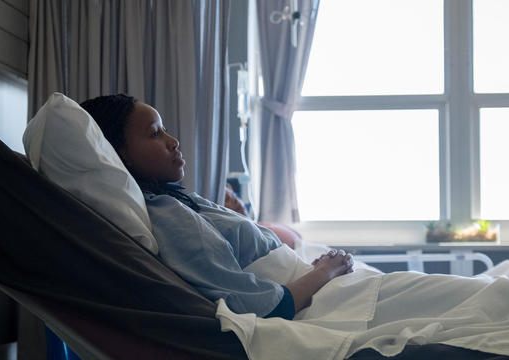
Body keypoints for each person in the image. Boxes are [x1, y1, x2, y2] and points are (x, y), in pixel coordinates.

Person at [80, 94, 353, 320]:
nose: (173, 141)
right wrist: (325, 271)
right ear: (121, 154)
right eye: (154, 134)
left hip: (312, 290)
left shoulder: (178, 200)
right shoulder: (166, 217)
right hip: (306, 308)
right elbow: (265, 307)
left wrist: (318, 270)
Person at [224, 184, 301, 249]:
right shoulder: (245, 236)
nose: (235, 200)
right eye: (227, 199)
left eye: (234, 195)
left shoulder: (256, 224)